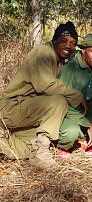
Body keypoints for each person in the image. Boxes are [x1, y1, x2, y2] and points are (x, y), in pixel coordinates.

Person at [0, 21, 85, 168]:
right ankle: (40, 154)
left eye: (73, 43)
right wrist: (77, 96)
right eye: (63, 41)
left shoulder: (60, 60)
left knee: (29, 146)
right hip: (11, 107)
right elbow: (47, 86)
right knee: (58, 102)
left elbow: (85, 54)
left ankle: (24, 149)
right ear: (54, 40)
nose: (68, 46)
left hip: (26, 112)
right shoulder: (44, 52)